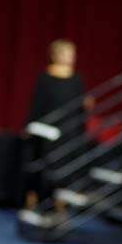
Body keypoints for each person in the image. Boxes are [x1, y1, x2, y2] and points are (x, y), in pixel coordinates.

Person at [23, 39, 93, 210]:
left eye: (72, 53)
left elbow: (79, 106)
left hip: (69, 130)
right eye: (68, 53)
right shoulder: (45, 78)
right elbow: (37, 104)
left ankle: (60, 201)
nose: (72, 57)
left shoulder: (77, 79)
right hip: (49, 131)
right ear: (56, 55)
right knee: (43, 162)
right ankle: (35, 197)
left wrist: (86, 107)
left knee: (66, 164)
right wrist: (30, 124)